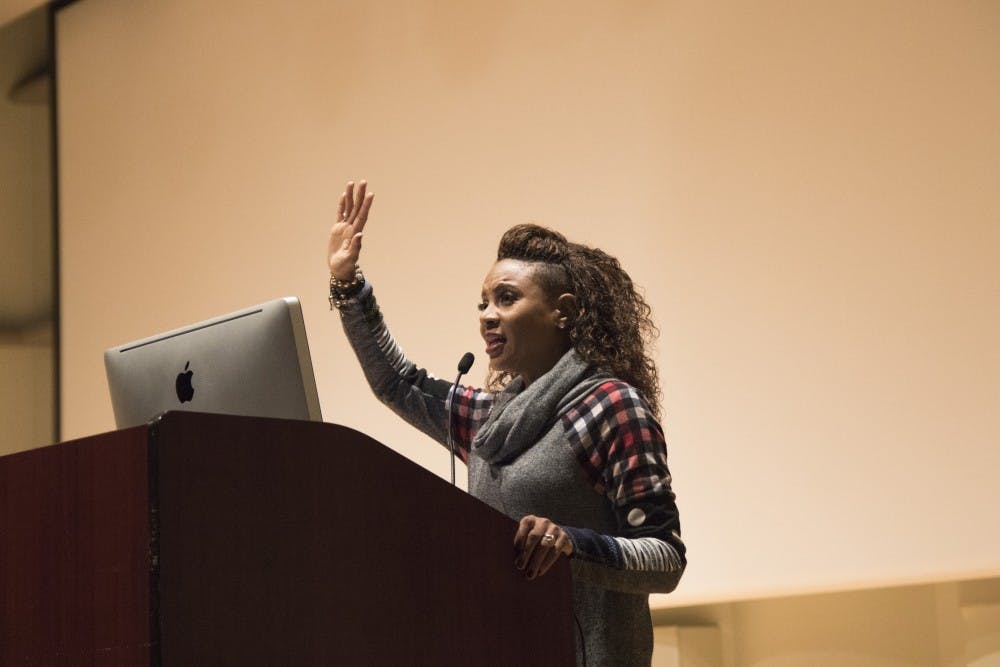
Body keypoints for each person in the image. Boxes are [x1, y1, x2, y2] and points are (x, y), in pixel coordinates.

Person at [327, 180, 685, 666]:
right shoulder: (491, 421)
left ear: (564, 312)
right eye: (483, 303)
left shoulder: (610, 407)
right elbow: (398, 382)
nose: (487, 317)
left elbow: (664, 558)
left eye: (506, 299)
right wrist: (347, 284)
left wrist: (571, 544)